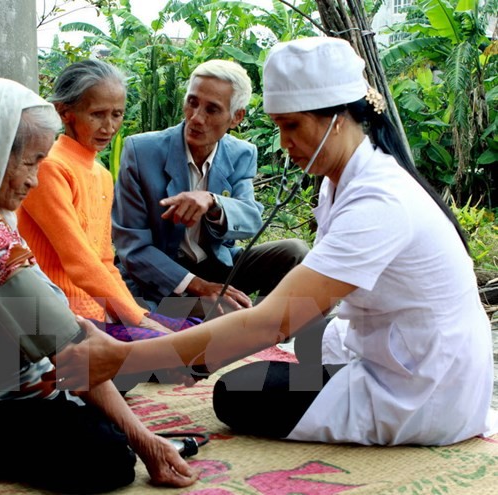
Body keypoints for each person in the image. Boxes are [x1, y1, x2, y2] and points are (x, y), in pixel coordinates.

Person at [54, 37, 495, 446]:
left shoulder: (379, 201)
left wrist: (127, 358)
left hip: (421, 382)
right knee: (255, 349)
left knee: (235, 392)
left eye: (291, 127)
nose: (284, 144)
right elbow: (130, 247)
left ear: (338, 121)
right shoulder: (342, 178)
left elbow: (273, 319)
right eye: (278, 127)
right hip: (384, 342)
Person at [0, 76, 197, 493]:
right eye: (31, 162)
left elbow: (55, 338)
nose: (34, 180)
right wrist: (144, 442)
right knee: (107, 458)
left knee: (114, 372)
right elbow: (69, 350)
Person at [112, 59, 309, 319]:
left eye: (212, 109)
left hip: (216, 267)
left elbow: (250, 218)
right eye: (192, 102)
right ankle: (240, 327)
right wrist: (199, 286)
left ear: (236, 117)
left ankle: (267, 329)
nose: (196, 118)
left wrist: (214, 203)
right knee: (223, 314)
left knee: (294, 252)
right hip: (161, 282)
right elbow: (132, 248)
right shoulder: (141, 151)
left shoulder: (241, 153)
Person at [17, 60, 197, 342]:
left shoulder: (100, 174)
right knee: (175, 348)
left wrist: (139, 315)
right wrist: (138, 320)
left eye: (117, 114)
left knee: (196, 332)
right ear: (65, 113)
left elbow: (104, 260)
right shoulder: (50, 166)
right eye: (97, 114)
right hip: (62, 314)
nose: (109, 126)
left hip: (99, 311)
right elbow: (79, 261)